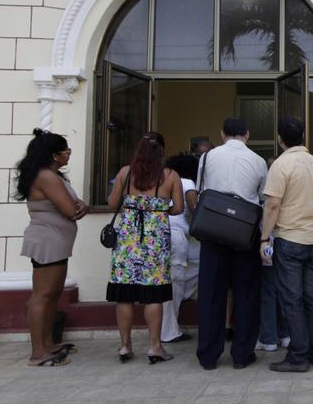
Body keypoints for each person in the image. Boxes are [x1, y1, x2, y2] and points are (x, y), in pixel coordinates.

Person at [195, 118, 268, 370]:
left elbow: (201, 189)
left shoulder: (207, 157)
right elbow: (262, 198)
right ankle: (242, 354)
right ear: (247, 134)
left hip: (213, 230)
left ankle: (208, 355)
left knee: (211, 294)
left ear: (222, 133)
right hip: (244, 233)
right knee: (246, 293)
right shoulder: (258, 161)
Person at [106, 132, 184, 364]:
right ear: (161, 151)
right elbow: (178, 208)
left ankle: (124, 346)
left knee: (124, 294)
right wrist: (159, 211)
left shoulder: (124, 172)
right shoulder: (170, 176)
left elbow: (112, 204)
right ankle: (154, 347)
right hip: (155, 242)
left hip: (127, 241)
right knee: (153, 296)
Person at [259, 117, 313, 372]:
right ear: (302, 136)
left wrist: (264, 238)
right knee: (312, 297)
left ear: (280, 138)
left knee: (292, 300)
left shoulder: (281, 164)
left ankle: (298, 356)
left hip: (289, 240)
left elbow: (273, 204)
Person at [16, 129, 89, 366]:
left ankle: (48, 343)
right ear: (54, 155)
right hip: (47, 241)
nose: (69, 153)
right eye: (65, 150)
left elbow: (76, 206)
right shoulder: (46, 176)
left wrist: (81, 207)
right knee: (43, 295)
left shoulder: (53, 175)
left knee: (53, 294)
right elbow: (71, 210)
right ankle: (39, 353)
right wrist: (80, 208)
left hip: (56, 241)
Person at [161, 154, 200, 344]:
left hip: (161, 234)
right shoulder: (187, 182)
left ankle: (181, 294)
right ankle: (169, 332)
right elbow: (195, 209)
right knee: (174, 283)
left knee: (200, 260)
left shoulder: (164, 181)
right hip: (176, 236)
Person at [256, 153, 290, 353]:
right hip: (288, 240)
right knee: (285, 289)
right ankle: (285, 334)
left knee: (268, 289)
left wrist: (263, 240)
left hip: (269, 241)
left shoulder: (269, 190)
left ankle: (268, 338)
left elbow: (268, 212)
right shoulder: (291, 184)